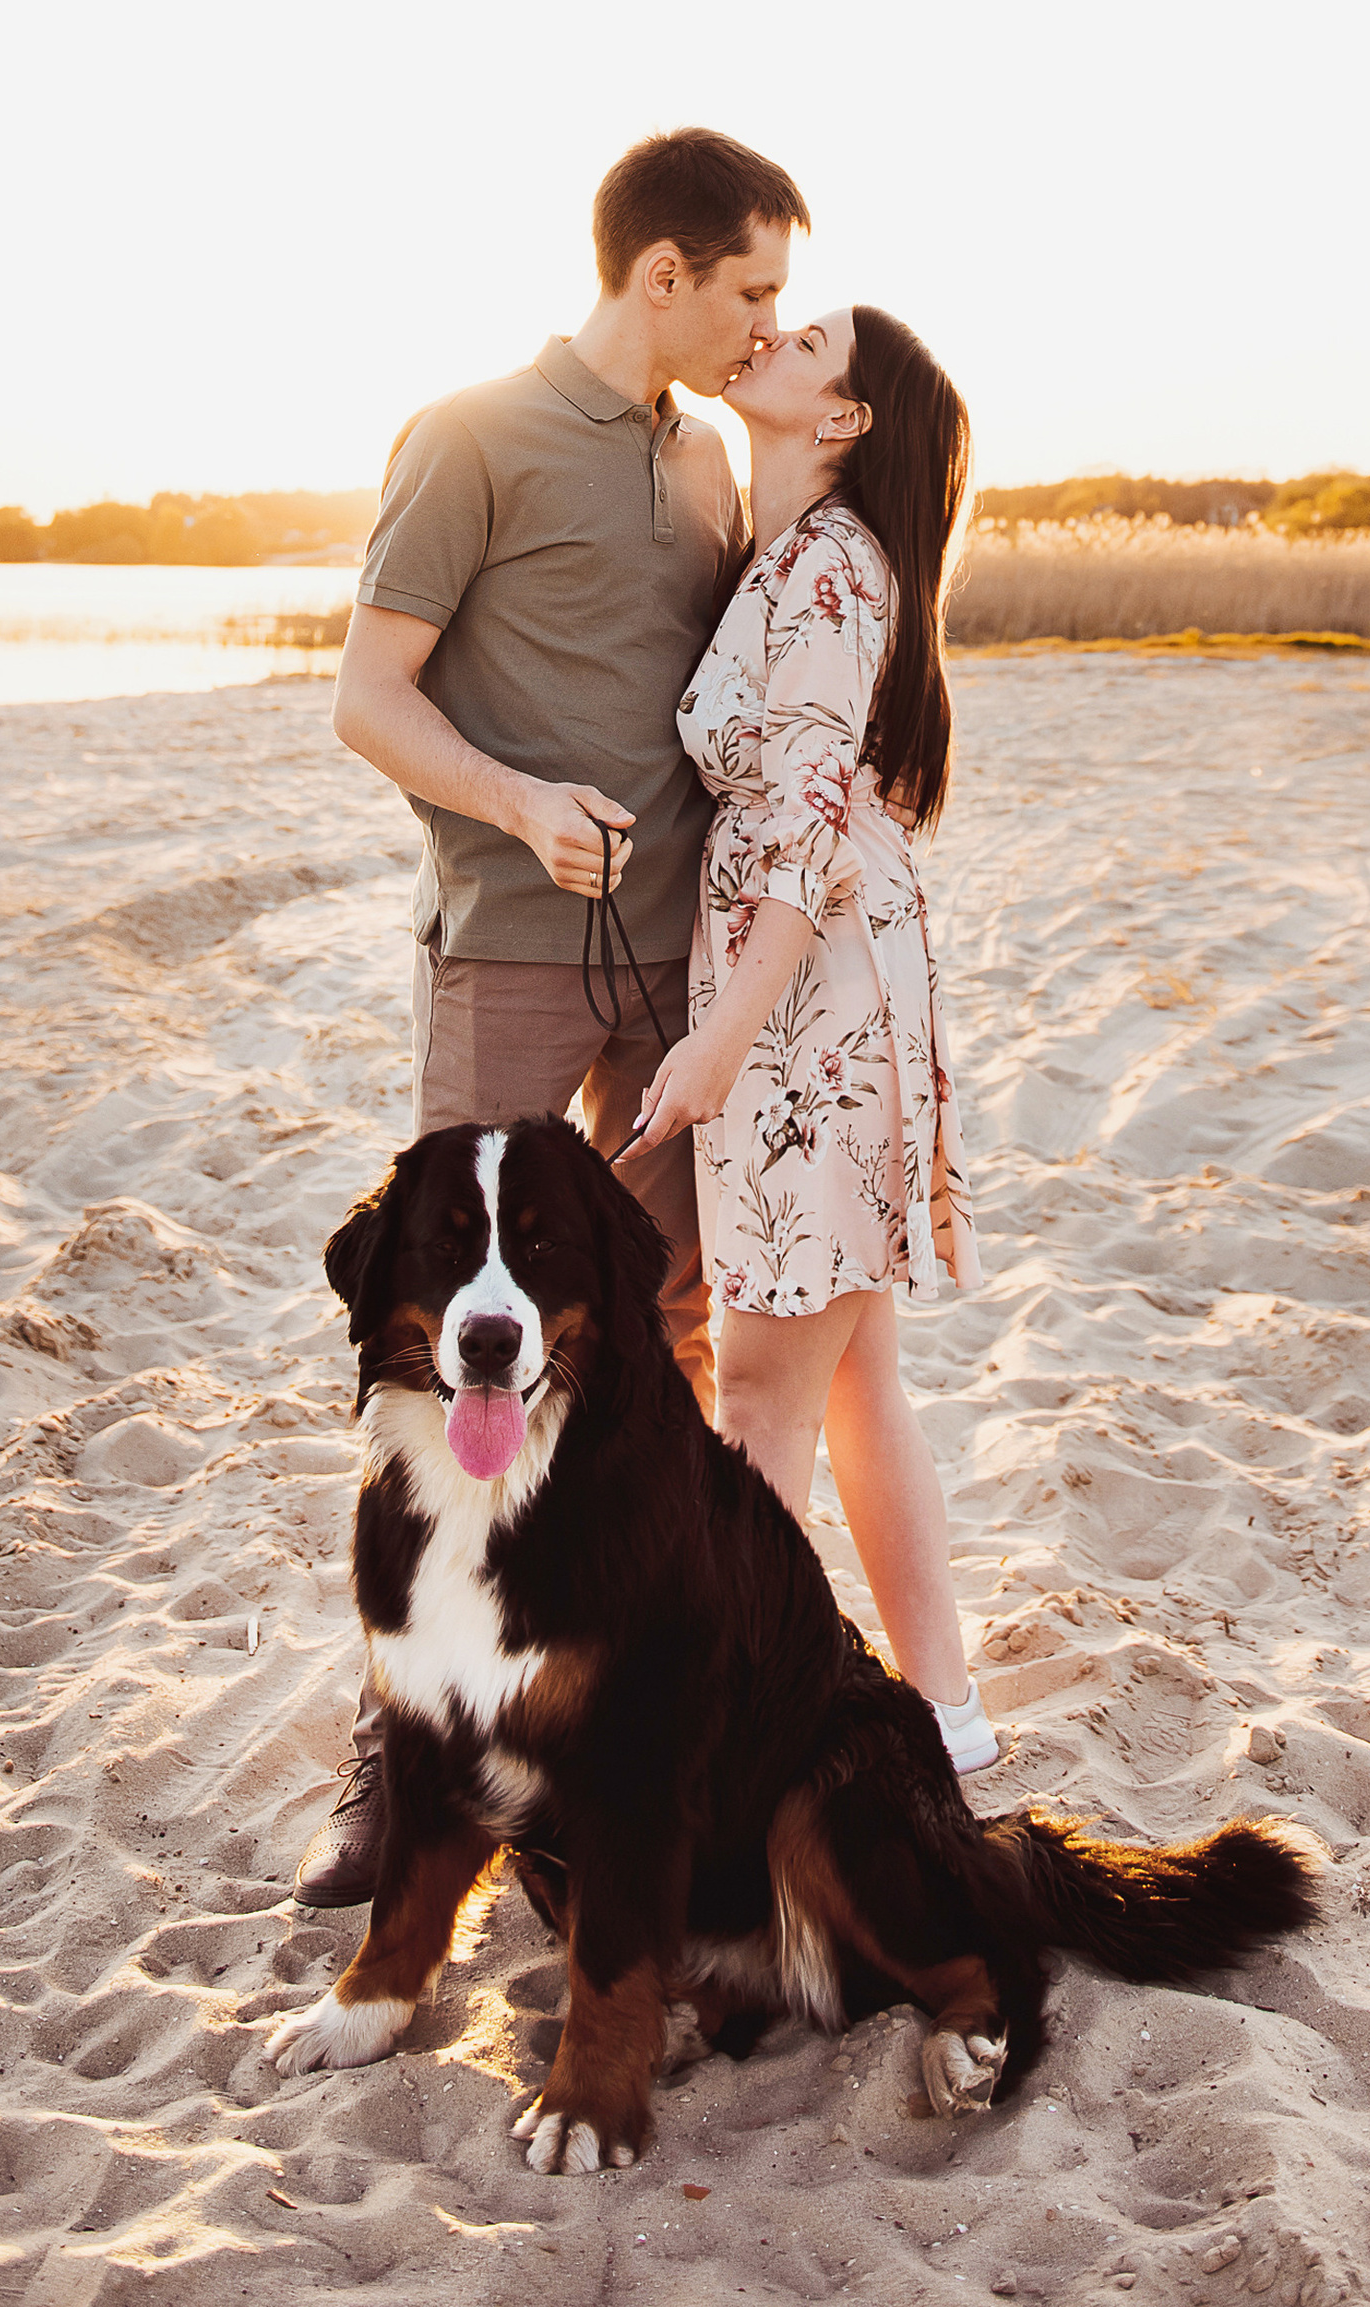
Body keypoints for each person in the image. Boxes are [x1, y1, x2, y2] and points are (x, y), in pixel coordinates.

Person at [292, 124, 813, 1907]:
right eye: (749, 290)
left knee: (648, 1339)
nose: (765, 325)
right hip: (508, 953)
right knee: (445, 1355)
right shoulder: (468, 437)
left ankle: (598, 1735)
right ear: (660, 274)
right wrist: (517, 805)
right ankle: (409, 1748)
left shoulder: (704, 468)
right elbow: (369, 697)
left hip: (671, 986)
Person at [623, 303, 996, 1774]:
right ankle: (950, 1716)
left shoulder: (834, 571)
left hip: (807, 1000)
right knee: (848, 1374)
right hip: (830, 985)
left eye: (807, 340)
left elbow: (805, 813)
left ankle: (724, 1735)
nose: (771, 333)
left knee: (767, 1387)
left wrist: (724, 1031)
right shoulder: (794, 556)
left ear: (842, 418)